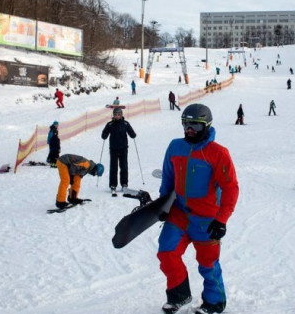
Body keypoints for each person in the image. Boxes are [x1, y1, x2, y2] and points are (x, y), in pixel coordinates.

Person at [157, 103, 239, 314]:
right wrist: (162, 204)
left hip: (207, 219)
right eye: (186, 124)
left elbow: (230, 188)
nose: (189, 129)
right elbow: (168, 177)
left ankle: (214, 303)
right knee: (167, 252)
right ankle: (179, 295)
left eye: (195, 124)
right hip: (180, 213)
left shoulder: (218, 153)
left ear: (207, 126)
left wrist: (222, 219)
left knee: (208, 264)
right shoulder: (175, 146)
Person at [101, 107, 137, 194]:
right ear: (113, 115)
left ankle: (124, 184)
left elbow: (131, 133)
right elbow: (104, 133)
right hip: (113, 148)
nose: (117, 116)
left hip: (123, 148)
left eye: (119, 114)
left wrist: (133, 134)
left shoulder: (125, 124)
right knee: (113, 167)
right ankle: (113, 184)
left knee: (124, 166)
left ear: (121, 115)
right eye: (115, 115)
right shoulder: (110, 124)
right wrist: (104, 135)